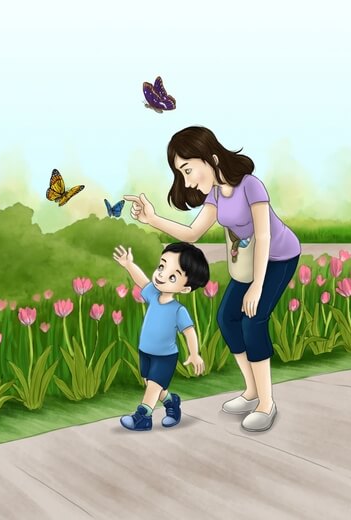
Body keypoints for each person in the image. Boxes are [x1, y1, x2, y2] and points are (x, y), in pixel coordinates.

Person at [124, 126, 301, 432]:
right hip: (250, 262)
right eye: (181, 174)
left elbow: (264, 236)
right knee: (226, 318)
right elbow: (193, 233)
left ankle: (266, 403)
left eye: (187, 170)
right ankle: (251, 391)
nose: (187, 181)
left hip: (279, 256)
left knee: (253, 320)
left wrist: (257, 286)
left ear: (210, 158)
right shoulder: (216, 195)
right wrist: (152, 219)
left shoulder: (251, 186)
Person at [112, 242, 208, 431]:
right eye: (162, 266)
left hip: (165, 356)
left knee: (154, 385)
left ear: (185, 288)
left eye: (173, 276)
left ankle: (143, 417)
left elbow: (189, 332)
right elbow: (142, 281)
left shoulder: (178, 310)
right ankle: (171, 402)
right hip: (145, 351)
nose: (162, 275)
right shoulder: (153, 295)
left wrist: (194, 354)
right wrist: (129, 264)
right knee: (152, 384)